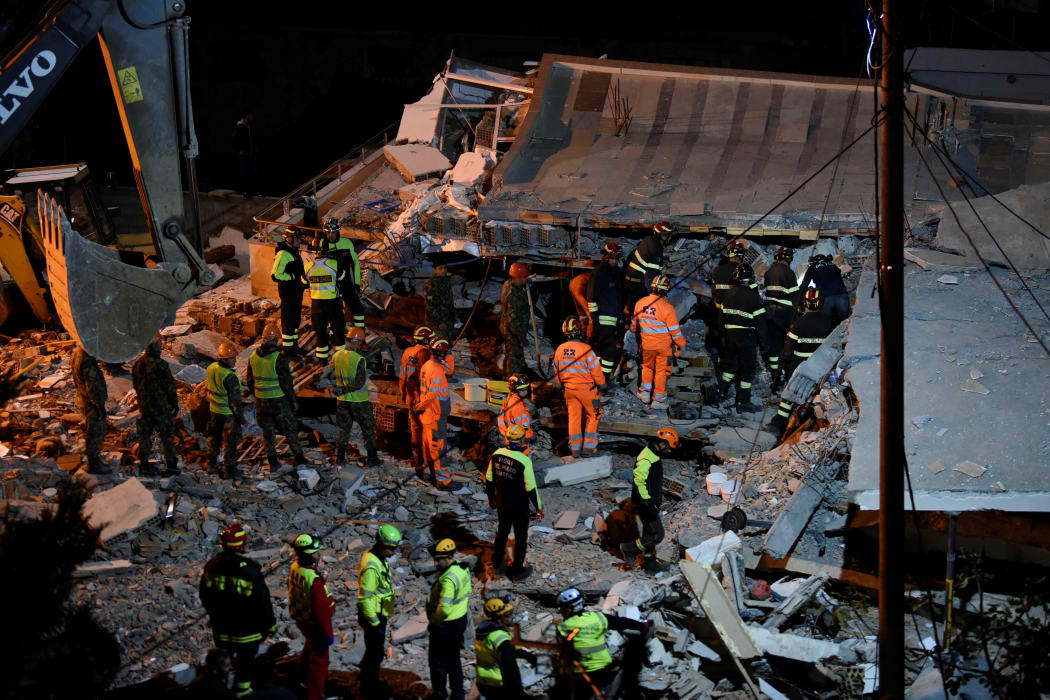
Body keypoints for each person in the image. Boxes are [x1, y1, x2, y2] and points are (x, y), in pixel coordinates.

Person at [200, 524, 276, 699]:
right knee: (245, 665)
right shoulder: (250, 570)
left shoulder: (212, 567)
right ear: (242, 544)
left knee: (222, 663)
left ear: (223, 544)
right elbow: (262, 602)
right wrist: (270, 625)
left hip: (221, 629)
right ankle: (241, 693)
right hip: (247, 632)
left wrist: (214, 615)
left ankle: (220, 690)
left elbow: (204, 596)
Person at [552, 587, 650, 699]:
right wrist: (643, 626)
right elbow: (622, 622)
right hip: (605, 668)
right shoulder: (598, 617)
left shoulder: (563, 628)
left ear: (569, 609)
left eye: (563, 609)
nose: (562, 612)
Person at [765, 288, 838, 437]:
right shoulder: (830, 323)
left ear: (805, 303)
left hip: (800, 369)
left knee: (789, 396)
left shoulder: (798, 323)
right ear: (821, 303)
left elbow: (787, 349)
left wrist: (784, 364)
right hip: (821, 369)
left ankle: (778, 424)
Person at [485, 424, 543, 580]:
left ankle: (497, 564)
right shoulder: (524, 461)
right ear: (523, 441)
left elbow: (489, 478)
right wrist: (538, 507)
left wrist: (491, 498)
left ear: (507, 439)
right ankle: (517, 571)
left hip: (502, 502)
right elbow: (531, 488)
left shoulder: (497, 454)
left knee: (502, 532)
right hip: (519, 505)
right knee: (520, 537)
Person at [246, 325, 307, 470]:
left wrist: (258, 396)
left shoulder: (253, 357)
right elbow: (286, 382)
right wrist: (292, 400)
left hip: (261, 402)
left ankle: (273, 462)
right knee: (290, 429)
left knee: (268, 433)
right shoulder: (278, 358)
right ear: (275, 339)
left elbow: (250, 381)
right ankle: (299, 459)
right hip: (278, 402)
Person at [620, 428, 678, 573]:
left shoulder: (654, 454)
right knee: (657, 535)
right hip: (644, 504)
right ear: (663, 444)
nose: (669, 451)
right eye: (669, 448)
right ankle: (629, 548)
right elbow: (639, 481)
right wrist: (648, 502)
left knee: (648, 534)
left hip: (649, 502)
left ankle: (650, 565)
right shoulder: (647, 457)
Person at [287, 534, 334, 700]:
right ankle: (314, 694)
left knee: (310, 647)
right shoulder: (314, 580)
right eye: (316, 552)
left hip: (302, 619)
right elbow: (321, 611)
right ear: (308, 554)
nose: (319, 554)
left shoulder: (295, 567)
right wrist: (328, 634)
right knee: (319, 661)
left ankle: (297, 677)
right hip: (315, 623)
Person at [718, 263, 769, 414]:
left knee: (729, 369)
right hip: (747, 337)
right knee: (747, 370)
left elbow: (720, 322)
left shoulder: (727, 295)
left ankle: (720, 394)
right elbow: (761, 324)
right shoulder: (753, 296)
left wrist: (725, 336)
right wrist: (764, 344)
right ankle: (743, 402)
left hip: (729, 336)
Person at [358, 525, 402, 699]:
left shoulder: (377, 556)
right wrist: (374, 622)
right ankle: (369, 689)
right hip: (373, 615)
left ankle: (369, 681)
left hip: (378, 612)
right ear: (381, 544)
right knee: (374, 653)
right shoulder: (371, 566)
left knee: (374, 652)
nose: (393, 552)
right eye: (391, 548)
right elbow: (365, 597)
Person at [630, 274, 686, 406]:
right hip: (663, 348)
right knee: (661, 371)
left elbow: (634, 327)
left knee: (647, 367)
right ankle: (658, 400)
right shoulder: (668, 308)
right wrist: (682, 344)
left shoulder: (640, 303)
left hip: (647, 346)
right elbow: (675, 332)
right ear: (665, 290)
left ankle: (644, 393)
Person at [427, 539, 472, 700]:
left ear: (447, 557)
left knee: (437, 662)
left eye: (438, 559)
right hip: (460, 619)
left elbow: (444, 608)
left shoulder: (448, 579)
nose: (436, 563)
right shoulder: (461, 566)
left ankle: (439, 694)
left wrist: (434, 622)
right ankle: (458, 693)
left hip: (446, 624)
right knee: (454, 659)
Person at [553, 317, 604, 458]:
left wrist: (559, 385)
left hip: (569, 390)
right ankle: (588, 448)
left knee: (574, 417)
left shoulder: (560, 349)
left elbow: (556, 371)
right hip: (588, 390)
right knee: (595, 413)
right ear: (578, 331)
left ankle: (575, 449)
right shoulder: (586, 349)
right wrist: (602, 384)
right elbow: (595, 369)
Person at [331, 327, 379, 467]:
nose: (361, 346)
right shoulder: (359, 359)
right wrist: (346, 389)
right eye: (360, 343)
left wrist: (340, 389)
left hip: (342, 401)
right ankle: (372, 459)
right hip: (359, 401)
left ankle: (339, 458)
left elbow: (333, 376)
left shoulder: (337, 355)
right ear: (356, 342)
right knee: (368, 429)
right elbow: (359, 383)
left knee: (344, 430)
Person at [132, 336, 180, 476]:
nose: (161, 347)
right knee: (167, 437)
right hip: (162, 408)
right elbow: (170, 387)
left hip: (145, 407)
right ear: (154, 347)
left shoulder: (138, 364)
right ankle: (171, 467)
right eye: (159, 344)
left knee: (145, 436)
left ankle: (144, 465)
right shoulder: (161, 365)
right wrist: (174, 404)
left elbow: (136, 385)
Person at [414, 336, 452, 487]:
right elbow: (432, 395)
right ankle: (443, 481)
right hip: (435, 415)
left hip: (428, 415)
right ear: (442, 352)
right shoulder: (436, 371)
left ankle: (428, 474)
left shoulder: (427, 365)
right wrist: (421, 407)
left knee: (427, 446)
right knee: (439, 448)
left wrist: (420, 408)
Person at [586, 241, 624, 385]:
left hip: (613, 321)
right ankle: (602, 380)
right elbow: (591, 298)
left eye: (616, 258)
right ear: (605, 257)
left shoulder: (616, 273)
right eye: (612, 258)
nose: (614, 261)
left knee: (601, 352)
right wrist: (595, 320)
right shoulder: (599, 273)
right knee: (609, 351)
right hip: (602, 322)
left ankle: (597, 379)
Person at [207, 342, 246, 482]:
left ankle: (211, 465)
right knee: (230, 442)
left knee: (214, 438)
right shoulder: (230, 377)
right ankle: (230, 470)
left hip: (214, 411)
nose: (235, 360)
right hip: (228, 414)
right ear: (225, 358)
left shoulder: (211, 368)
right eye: (232, 358)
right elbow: (235, 402)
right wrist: (241, 419)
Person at [304, 238, 346, 363]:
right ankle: (341, 358)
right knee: (338, 329)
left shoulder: (308, 267)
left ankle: (322, 360)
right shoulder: (333, 264)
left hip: (316, 304)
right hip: (332, 302)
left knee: (320, 332)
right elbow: (343, 278)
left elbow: (303, 283)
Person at [475, 597, 526, 699]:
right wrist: (519, 692)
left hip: (483, 682)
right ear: (499, 618)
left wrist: (526, 655)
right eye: (508, 615)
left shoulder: (484, 632)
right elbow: (511, 670)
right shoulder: (501, 638)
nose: (512, 617)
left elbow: (499, 651)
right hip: (499, 684)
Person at [763, 246, 799, 388]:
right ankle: (787, 374)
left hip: (770, 314)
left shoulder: (769, 272)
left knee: (774, 346)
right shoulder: (789, 273)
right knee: (788, 345)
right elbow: (795, 295)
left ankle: (775, 377)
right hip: (785, 315)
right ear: (789, 258)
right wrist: (800, 312)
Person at [706, 240, 744, 371]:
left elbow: (714, 288)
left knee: (721, 341)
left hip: (719, 312)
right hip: (736, 315)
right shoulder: (742, 271)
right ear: (741, 255)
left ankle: (721, 365)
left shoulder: (718, 270)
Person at [400, 325, 434, 474]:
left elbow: (402, 374)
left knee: (415, 427)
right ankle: (424, 462)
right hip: (420, 397)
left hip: (409, 394)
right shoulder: (425, 354)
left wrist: (403, 393)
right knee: (426, 429)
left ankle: (416, 460)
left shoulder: (408, 351)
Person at [622, 221, 675, 316]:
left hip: (629, 281)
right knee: (641, 311)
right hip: (638, 284)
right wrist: (653, 296)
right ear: (663, 236)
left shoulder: (648, 240)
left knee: (632, 309)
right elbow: (651, 277)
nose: (670, 238)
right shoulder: (656, 248)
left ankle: (629, 323)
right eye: (669, 235)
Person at [72, 346, 110, 474]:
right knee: (95, 433)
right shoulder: (87, 359)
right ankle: (93, 464)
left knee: (91, 431)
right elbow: (92, 386)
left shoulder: (76, 354)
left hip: (84, 399)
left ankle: (93, 461)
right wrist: (99, 406)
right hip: (92, 403)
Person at [323, 218, 365, 331]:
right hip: (332, 285)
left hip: (346, 283)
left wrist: (357, 283)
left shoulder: (347, 243)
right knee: (335, 312)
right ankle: (335, 336)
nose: (331, 236)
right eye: (328, 233)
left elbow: (355, 264)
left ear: (338, 231)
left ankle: (360, 334)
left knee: (358, 309)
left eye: (333, 233)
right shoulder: (323, 245)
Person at [270, 226, 306, 354]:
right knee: (288, 320)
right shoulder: (283, 253)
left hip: (296, 291)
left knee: (295, 319)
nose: (300, 241)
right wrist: (292, 277)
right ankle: (287, 349)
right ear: (290, 238)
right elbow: (275, 275)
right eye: (298, 238)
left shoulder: (293, 251)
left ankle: (294, 346)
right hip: (288, 292)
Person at [499, 262, 531, 379]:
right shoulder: (515, 294)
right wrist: (521, 337)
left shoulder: (508, 284)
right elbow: (512, 319)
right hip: (513, 330)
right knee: (514, 358)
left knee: (511, 356)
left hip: (507, 327)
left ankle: (510, 378)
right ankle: (511, 381)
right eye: (524, 277)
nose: (526, 279)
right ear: (518, 277)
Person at [798, 253, 851, 324]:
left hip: (826, 298)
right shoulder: (833, 265)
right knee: (846, 322)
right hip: (841, 295)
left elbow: (805, 284)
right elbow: (838, 272)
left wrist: (800, 299)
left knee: (826, 323)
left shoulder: (813, 267)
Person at [496, 373, 532, 453]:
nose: (526, 392)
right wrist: (530, 435)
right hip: (519, 441)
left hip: (509, 437)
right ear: (517, 390)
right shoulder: (518, 406)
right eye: (523, 390)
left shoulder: (509, 398)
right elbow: (523, 427)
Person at [425, 264, 456, 340]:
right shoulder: (431, 283)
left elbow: (449, 301)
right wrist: (439, 322)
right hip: (438, 322)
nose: (443, 270)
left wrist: (454, 317)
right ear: (435, 270)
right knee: (439, 342)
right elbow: (430, 305)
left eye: (445, 268)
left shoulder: (446, 281)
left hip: (448, 319)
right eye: (440, 268)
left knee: (447, 342)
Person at [233, 112, 256, 197]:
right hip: (244, 153)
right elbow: (235, 140)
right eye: (251, 115)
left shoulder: (248, 126)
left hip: (250, 152)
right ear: (247, 116)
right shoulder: (240, 126)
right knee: (244, 172)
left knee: (251, 171)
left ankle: (251, 191)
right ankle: (244, 191)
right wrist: (240, 150)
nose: (252, 117)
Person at [568, 269, 593, 340]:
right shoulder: (580, 290)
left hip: (574, 284)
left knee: (582, 313)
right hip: (578, 284)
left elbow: (582, 314)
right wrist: (589, 337)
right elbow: (589, 313)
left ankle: (585, 333)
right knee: (589, 313)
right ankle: (587, 335)